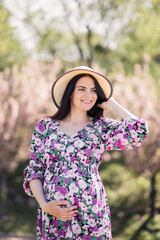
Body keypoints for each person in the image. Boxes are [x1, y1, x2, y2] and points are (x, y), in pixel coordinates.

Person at [23, 66, 149, 240]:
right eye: (82, 89)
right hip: (54, 215)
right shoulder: (45, 127)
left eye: (93, 90)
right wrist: (44, 205)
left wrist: (112, 104)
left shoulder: (101, 127)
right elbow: (34, 170)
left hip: (92, 213)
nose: (88, 94)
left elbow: (138, 132)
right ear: (70, 93)